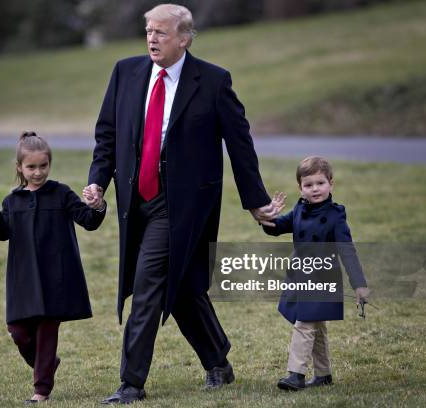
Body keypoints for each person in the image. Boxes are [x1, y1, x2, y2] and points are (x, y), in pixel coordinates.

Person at [83, 4, 281, 404]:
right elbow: (107, 135)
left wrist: (255, 201)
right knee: (186, 285)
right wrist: (97, 182)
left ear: (184, 38)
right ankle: (218, 362)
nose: (152, 39)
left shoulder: (212, 80)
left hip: (183, 206)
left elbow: (239, 143)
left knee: (148, 285)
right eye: (148, 31)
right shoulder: (125, 72)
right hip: (135, 199)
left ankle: (131, 383)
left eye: (161, 33)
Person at [0, 132, 106, 403]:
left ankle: (41, 390)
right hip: (23, 280)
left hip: (55, 279)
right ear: (20, 168)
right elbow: (3, 234)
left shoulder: (61, 193)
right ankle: (47, 363)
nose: (38, 172)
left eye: (43, 166)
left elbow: (89, 221)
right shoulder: (12, 201)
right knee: (19, 332)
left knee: (47, 332)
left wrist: (97, 206)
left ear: (50, 164)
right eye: (31, 167)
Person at [261, 156, 370, 391]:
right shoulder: (300, 209)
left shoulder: (335, 215)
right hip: (300, 277)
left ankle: (296, 374)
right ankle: (323, 375)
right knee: (316, 325)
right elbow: (277, 228)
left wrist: (359, 283)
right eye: (308, 185)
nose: (315, 189)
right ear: (300, 189)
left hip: (323, 279)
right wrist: (268, 216)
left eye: (320, 183)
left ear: (331, 183)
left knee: (304, 324)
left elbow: (347, 250)